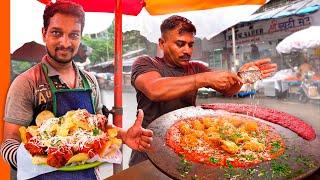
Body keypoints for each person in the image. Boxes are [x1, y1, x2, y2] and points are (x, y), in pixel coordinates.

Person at [1, 1, 153, 179]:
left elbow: (99, 128)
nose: (65, 43)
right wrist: (45, 156)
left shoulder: (90, 81)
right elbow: (8, 145)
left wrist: (124, 135)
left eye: (73, 35)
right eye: (56, 33)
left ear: (80, 37)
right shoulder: (26, 83)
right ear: (44, 34)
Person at [129, 15, 277, 166]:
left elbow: (228, 90)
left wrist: (240, 78)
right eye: (180, 44)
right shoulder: (145, 62)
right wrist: (204, 78)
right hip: (147, 149)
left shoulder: (196, 68)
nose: (187, 50)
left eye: (190, 45)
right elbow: (155, 89)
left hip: (184, 148)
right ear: (162, 43)